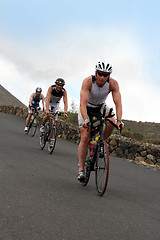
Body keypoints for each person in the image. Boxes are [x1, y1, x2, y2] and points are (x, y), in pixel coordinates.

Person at [77, 61, 124, 182]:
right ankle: (81, 170)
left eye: (106, 75)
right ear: (95, 73)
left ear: (109, 75)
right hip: (87, 107)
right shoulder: (88, 82)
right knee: (85, 136)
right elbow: (82, 103)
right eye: (100, 74)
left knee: (111, 120)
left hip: (101, 107)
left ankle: (100, 142)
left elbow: (118, 104)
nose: (102, 77)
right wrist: (86, 119)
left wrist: (119, 121)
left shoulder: (113, 84)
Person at [40, 78, 68, 146]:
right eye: (57, 84)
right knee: (48, 115)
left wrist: (65, 112)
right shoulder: (51, 88)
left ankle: (52, 140)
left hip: (56, 104)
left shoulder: (64, 91)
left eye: (60, 85)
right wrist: (47, 110)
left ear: (62, 86)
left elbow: (65, 102)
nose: (59, 86)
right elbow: (47, 99)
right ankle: (42, 125)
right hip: (49, 102)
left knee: (54, 122)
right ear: (56, 84)